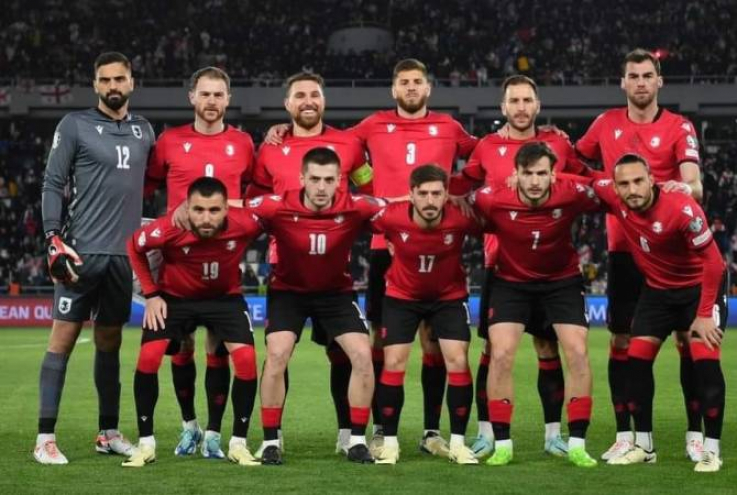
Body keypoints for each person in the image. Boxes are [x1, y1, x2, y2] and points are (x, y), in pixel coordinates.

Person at [267, 59, 478, 455]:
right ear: (394, 89)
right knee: (378, 345)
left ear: (428, 88)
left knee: (434, 347)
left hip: (430, 242)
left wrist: (456, 189)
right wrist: (281, 129)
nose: (411, 88)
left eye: (417, 81)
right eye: (404, 82)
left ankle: (430, 431)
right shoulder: (365, 128)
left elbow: (485, 156)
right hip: (375, 249)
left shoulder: (446, 127)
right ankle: (376, 428)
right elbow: (327, 156)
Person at [449, 75, 598, 458]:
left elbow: (587, 181)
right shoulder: (487, 146)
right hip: (501, 263)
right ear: (503, 106)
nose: (520, 107)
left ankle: (554, 436)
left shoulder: (558, 144)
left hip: (554, 263)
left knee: (549, 347)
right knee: (494, 351)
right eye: (513, 100)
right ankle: (488, 434)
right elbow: (461, 187)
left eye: (526, 100)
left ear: (537, 105)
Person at [575, 48, 704, 462]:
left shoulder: (679, 127)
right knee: (621, 340)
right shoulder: (605, 124)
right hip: (625, 250)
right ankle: (625, 435)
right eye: (634, 76)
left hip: (673, 251)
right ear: (623, 83)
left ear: (659, 81)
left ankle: (695, 434)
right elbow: (575, 161)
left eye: (648, 75)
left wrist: (682, 189)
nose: (641, 82)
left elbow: (695, 183)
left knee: (687, 340)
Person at [36, 51, 155, 465]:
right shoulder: (75, 125)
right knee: (62, 341)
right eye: (105, 80)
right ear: (95, 85)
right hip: (80, 255)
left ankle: (108, 433)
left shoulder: (145, 131)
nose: (112, 86)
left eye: (119, 79)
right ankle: (44, 438)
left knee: (110, 342)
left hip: (123, 258)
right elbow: (53, 183)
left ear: (131, 82)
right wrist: (53, 237)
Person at [246, 72, 372, 456]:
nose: (307, 101)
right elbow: (253, 203)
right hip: (287, 271)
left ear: (324, 100)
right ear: (287, 104)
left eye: (314, 94)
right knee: (278, 354)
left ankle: (350, 435)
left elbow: (370, 190)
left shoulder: (349, 144)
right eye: (299, 95)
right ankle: (272, 439)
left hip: (335, 274)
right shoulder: (269, 149)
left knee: (346, 354)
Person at [144, 66, 256, 457]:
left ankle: (213, 433)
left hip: (222, 259)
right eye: (205, 94)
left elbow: (256, 190)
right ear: (192, 97)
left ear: (228, 99)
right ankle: (189, 425)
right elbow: (147, 185)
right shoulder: (169, 141)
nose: (211, 101)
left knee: (218, 344)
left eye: (218, 94)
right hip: (177, 261)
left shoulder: (243, 143)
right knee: (182, 346)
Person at [592, 154, 726, 473]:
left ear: (652, 180)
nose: (632, 189)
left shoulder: (681, 208)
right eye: (624, 184)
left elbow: (714, 262)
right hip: (657, 292)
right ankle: (645, 446)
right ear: (615, 187)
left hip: (697, 290)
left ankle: (711, 450)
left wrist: (704, 314)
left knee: (705, 362)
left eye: (639, 181)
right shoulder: (614, 196)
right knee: (636, 362)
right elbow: (581, 177)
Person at [470, 142, 600, 468]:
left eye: (542, 173)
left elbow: (609, 190)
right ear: (515, 174)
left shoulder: (571, 193)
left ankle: (577, 443)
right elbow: (459, 208)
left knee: (577, 352)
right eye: (527, 173)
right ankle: (502, 444)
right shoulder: (491, 197)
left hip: (561, 282)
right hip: (511, 283)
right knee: (500, 354)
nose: (535, 181)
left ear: (554, 174)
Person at [122, 177, 262, 467]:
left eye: (214, 210)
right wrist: (151, 294)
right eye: (198, 209)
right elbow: (134, 246)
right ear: (186, 207)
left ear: (227, 208)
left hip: (224, 298)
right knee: (149, 357)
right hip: (175, 299)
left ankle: (235, 442)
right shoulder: (168, 228)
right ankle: (148, 444)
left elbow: (278, 218)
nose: (206, 218)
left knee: (246, 359)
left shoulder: (246, 223)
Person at [371, 164, 481, 465]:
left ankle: (457, 444)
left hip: (448, 298)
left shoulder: (461, 217)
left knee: (457, 360)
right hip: (401, 297)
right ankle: (390, 443)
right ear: (411, 195)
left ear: (446, 194)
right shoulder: (391, 216)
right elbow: (356, 220)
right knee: (394, 361)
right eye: (423, 194)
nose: (430, 200)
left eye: (436, 193)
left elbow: (495, 223)